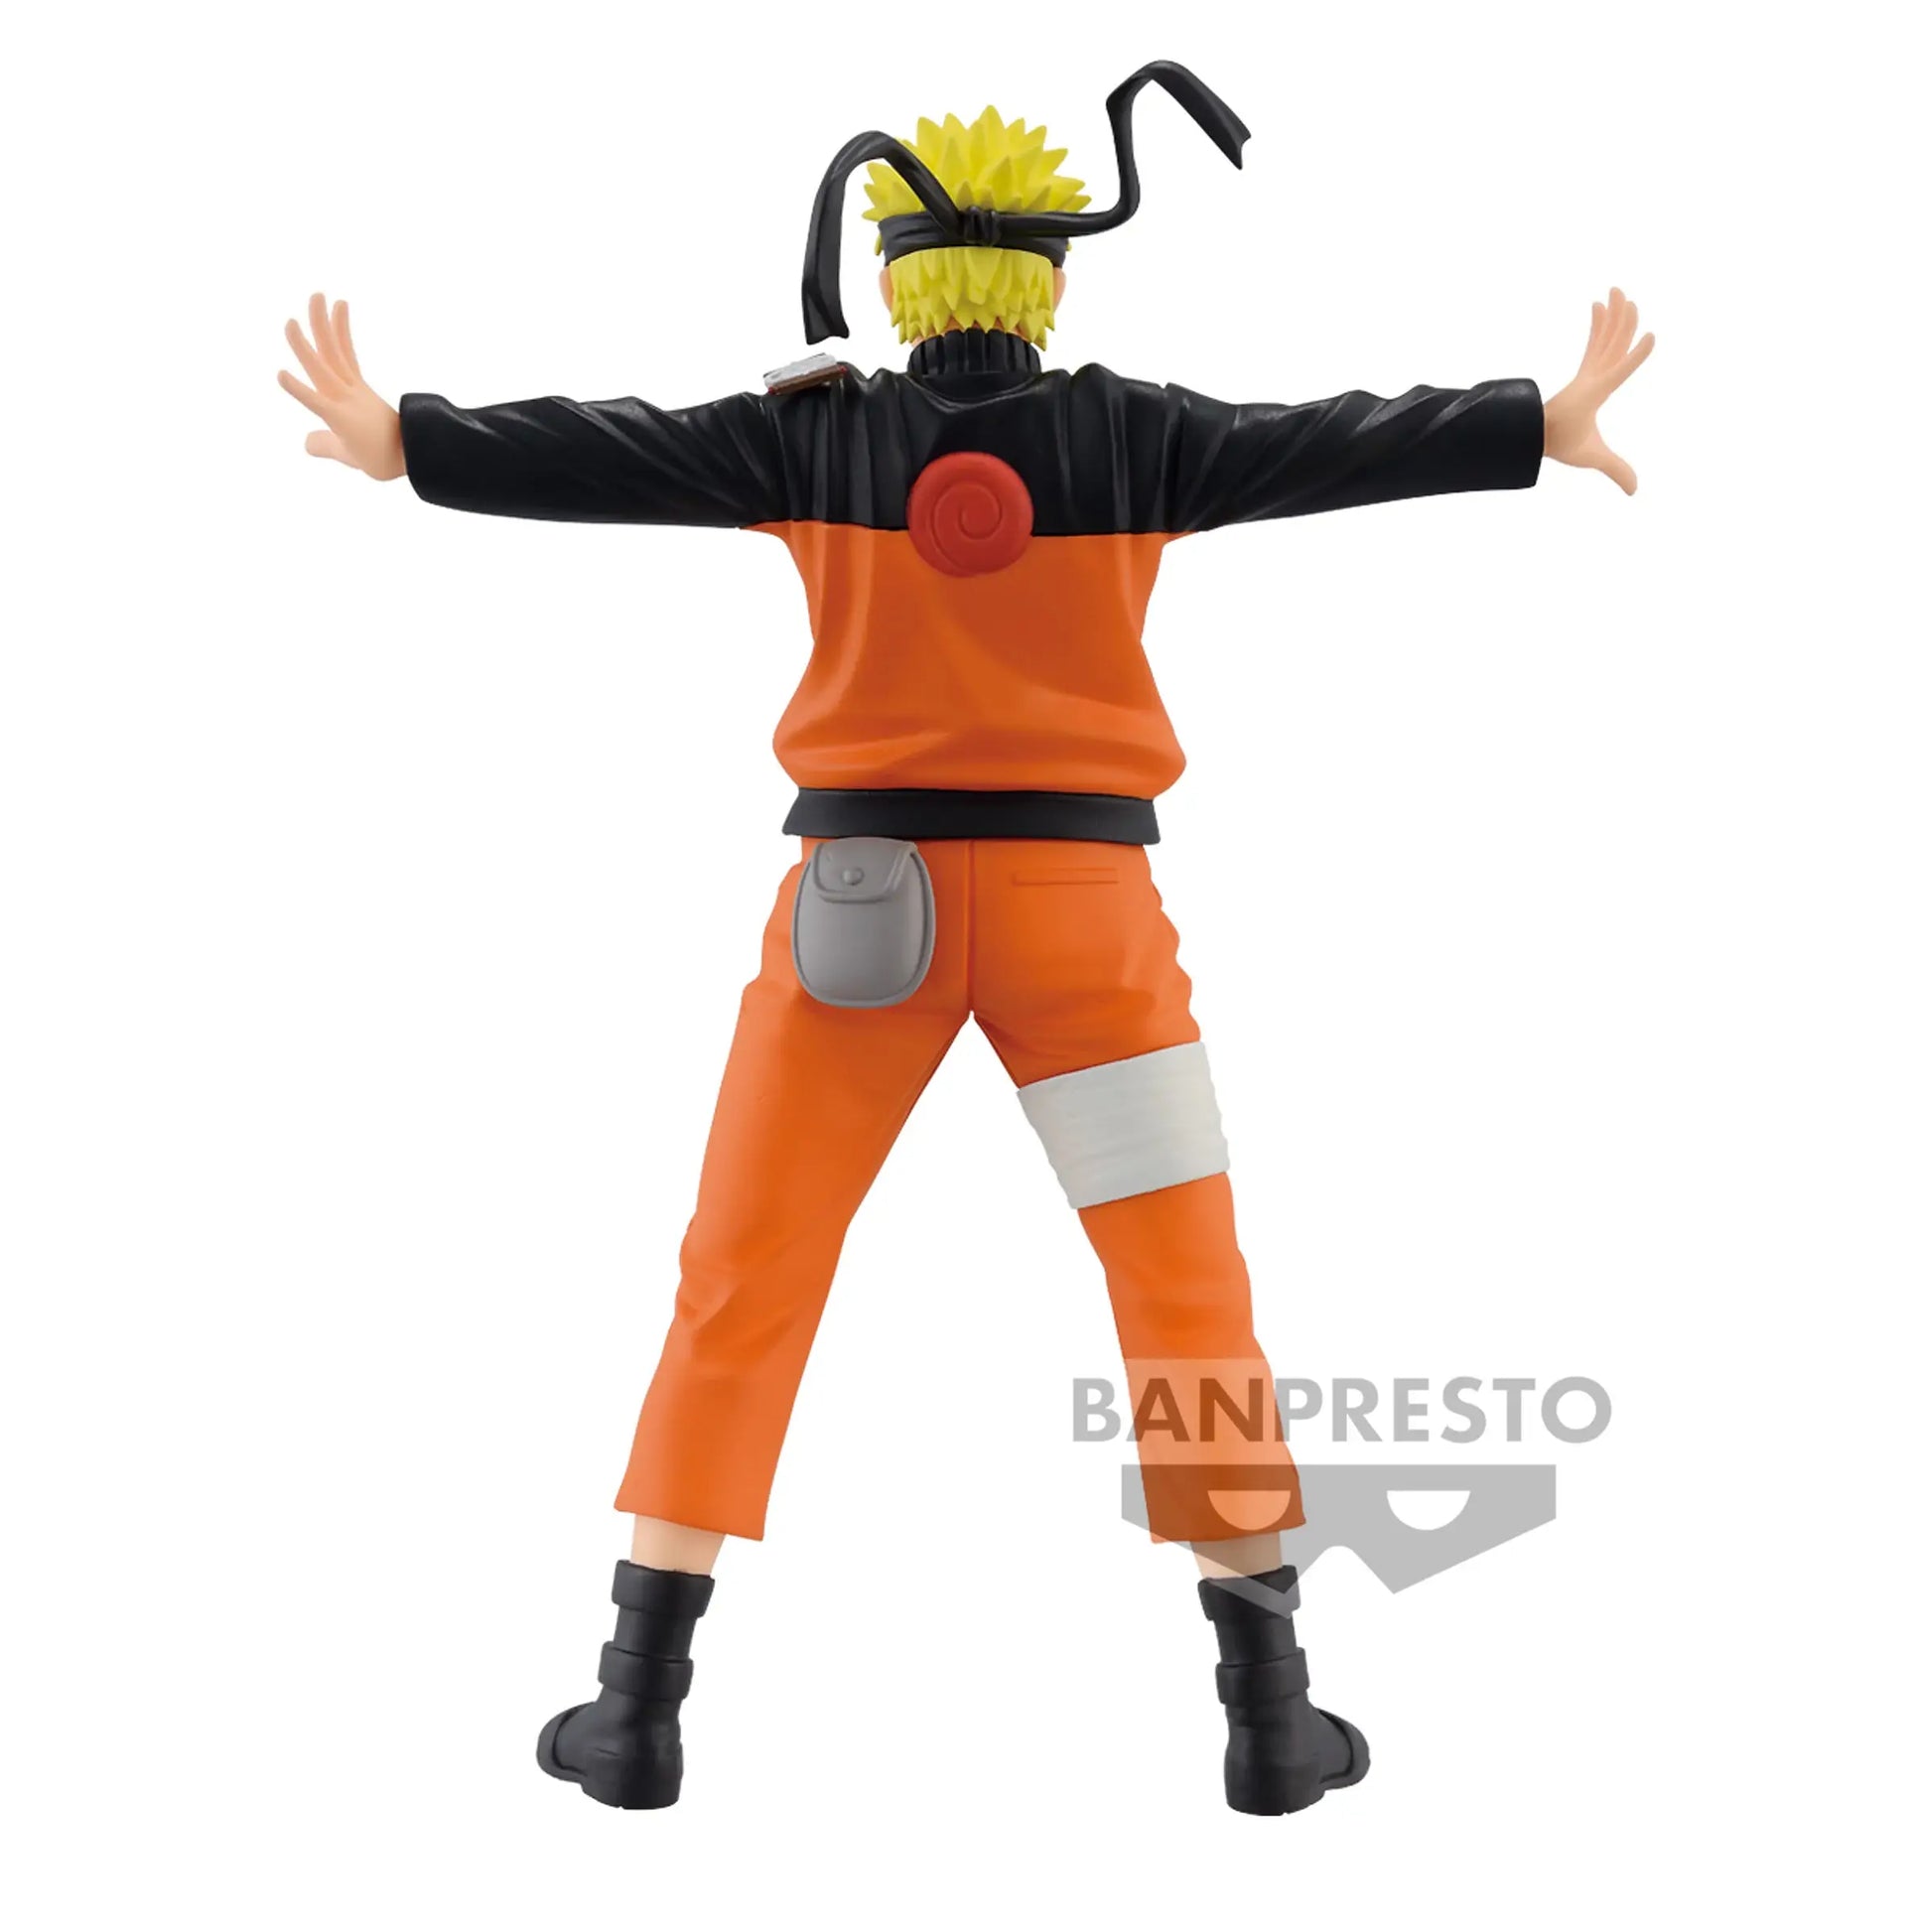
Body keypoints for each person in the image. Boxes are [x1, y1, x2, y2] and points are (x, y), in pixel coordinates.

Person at [279, 61, 1653, 1818]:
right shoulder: (1138, 433)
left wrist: (411, 438)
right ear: (1045, 282)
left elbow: (617, 451)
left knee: (744, 1275)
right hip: (1091, 924)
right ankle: (1271, 1715)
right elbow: (1327, 439)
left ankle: (631, 1710)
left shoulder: (812, 431)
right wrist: (1532, 418)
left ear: (897, 280)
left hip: (859, 919)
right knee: (1186, 1287)